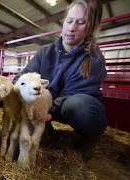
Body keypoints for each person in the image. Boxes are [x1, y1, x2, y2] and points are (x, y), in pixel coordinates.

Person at [15, 0, 107, 141]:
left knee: (79, 106)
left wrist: (43, 112)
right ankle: (45, 128)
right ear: (63, 22)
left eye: (80, 22)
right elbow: (22, 78)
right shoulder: (45, 53)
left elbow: (71, 95)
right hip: (47, 105)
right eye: (69, 21)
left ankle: (87, 139)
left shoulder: (93, 59)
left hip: (74, 108)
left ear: (90, 27)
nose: (71, 28)